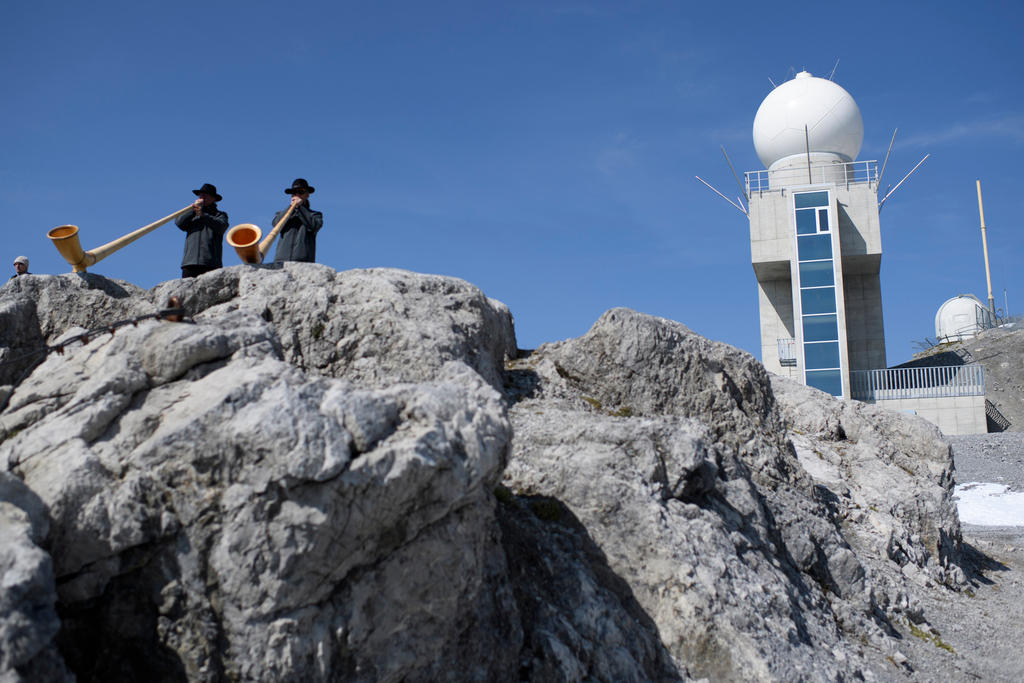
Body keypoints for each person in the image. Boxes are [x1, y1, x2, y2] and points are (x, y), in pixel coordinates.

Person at [175, 183, 228, 278]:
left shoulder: (220, 215)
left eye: (205, 195)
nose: (202, 197)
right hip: (190, 263)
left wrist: (203, 215)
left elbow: (221, 226)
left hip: (211, 263)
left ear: (214, 199)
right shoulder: (192, 213)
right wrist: (192, 210)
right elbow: (179, 223)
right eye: (200, 195)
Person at [272, 178, 323, 263]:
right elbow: (276, 224)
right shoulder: (282, 213)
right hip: (281, 261)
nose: (297, 195)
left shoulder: (315, 215)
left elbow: (314, 225)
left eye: (301, 192)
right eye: (294, 193)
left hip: (304, 262)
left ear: (307, 195)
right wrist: (290, 208)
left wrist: (300, 208)